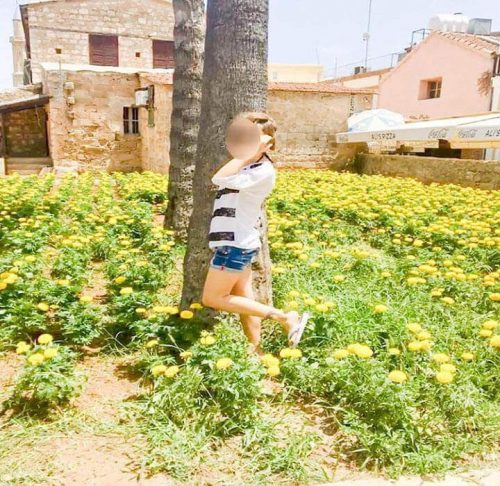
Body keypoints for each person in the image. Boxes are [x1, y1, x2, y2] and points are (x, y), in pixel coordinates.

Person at [202, 112, 309, 354]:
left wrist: (247, 154)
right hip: (237, 243)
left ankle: (285, 318)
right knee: (245, 300)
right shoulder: (248, 166)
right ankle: (255, 351)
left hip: (234, 245)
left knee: (212, 298)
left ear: (267, 142)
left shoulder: (262, 170)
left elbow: (218, 178)